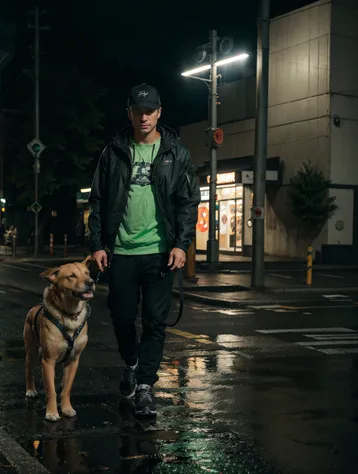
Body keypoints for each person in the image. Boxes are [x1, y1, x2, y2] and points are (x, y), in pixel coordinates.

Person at [89, 83, 200, 416]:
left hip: (159, 252)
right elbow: (97, 199)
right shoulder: (113, 152)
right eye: (137, 111)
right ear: (130, 114)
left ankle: (146, 387)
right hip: (121, 252)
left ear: (159, 112)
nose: (143, 117)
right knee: (122, 317)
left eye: (149, 111)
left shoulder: (176, 153)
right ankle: (132, 362)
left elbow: (188, 201)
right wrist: (98, 244)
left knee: (154, 322)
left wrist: (182, 244)